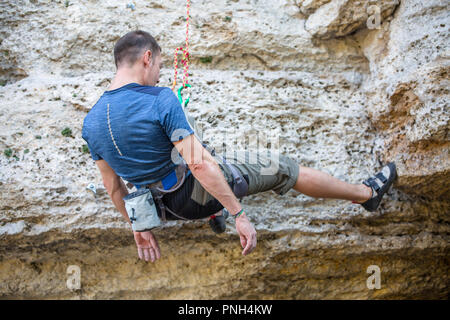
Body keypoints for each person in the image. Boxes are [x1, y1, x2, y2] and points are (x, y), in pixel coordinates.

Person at [82, 30, 397, 263]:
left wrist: (139, 228)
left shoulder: (91, 122)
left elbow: (113, 189)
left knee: (198, 154)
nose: (158, 75)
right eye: (159, 66)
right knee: (283, 168)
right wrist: (239, 214)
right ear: (146, 57)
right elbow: (199, 164)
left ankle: (212, 212)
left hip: (159, 211)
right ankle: (367, 195)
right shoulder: (159, 98)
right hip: (192, 196)